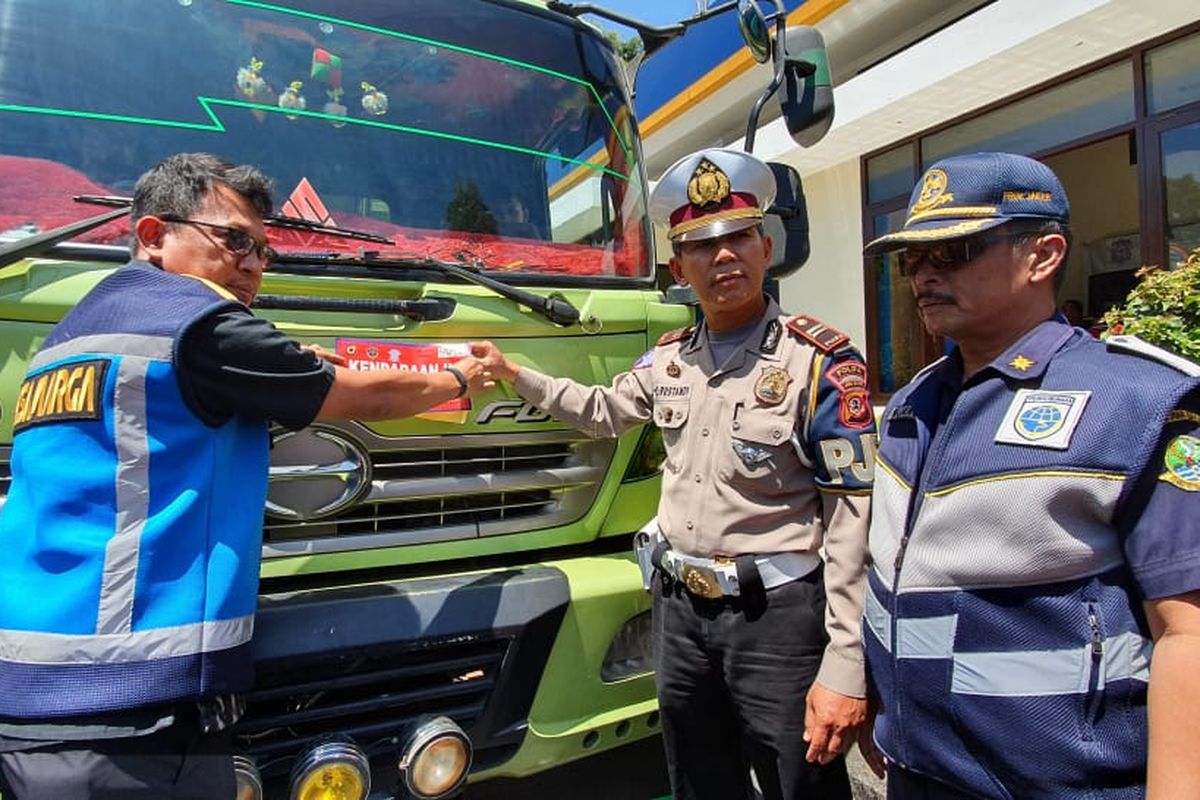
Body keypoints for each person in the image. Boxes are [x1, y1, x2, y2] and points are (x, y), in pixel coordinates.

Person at [0, 152, 493, 799]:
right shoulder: (194, 322)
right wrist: (462, 379)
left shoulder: (71, 335)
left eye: (265, 251)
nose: (255, 265)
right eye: (234, 241)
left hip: (32, 689)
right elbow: (365, 399)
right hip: (130, 708)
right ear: (153, 235)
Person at [472, 148, 877, 799]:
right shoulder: (668, 361)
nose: (724, 257)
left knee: (798, 784)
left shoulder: (820, 363)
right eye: (701, 245)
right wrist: (515, 374)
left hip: (776, 618)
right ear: (676, 268)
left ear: (766, 247)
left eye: (739, 237)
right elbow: (601, 412)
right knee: (697, 778)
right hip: (681, 613)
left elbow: (852, 526)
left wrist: (846, 663)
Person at [860, 151, 1200, 798]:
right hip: (917, 773)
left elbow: (1189, 633)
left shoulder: (1138, 404)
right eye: (913, 259)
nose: (924, 275)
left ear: (1042, 256)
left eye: (953, 251)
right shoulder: (911, 406)